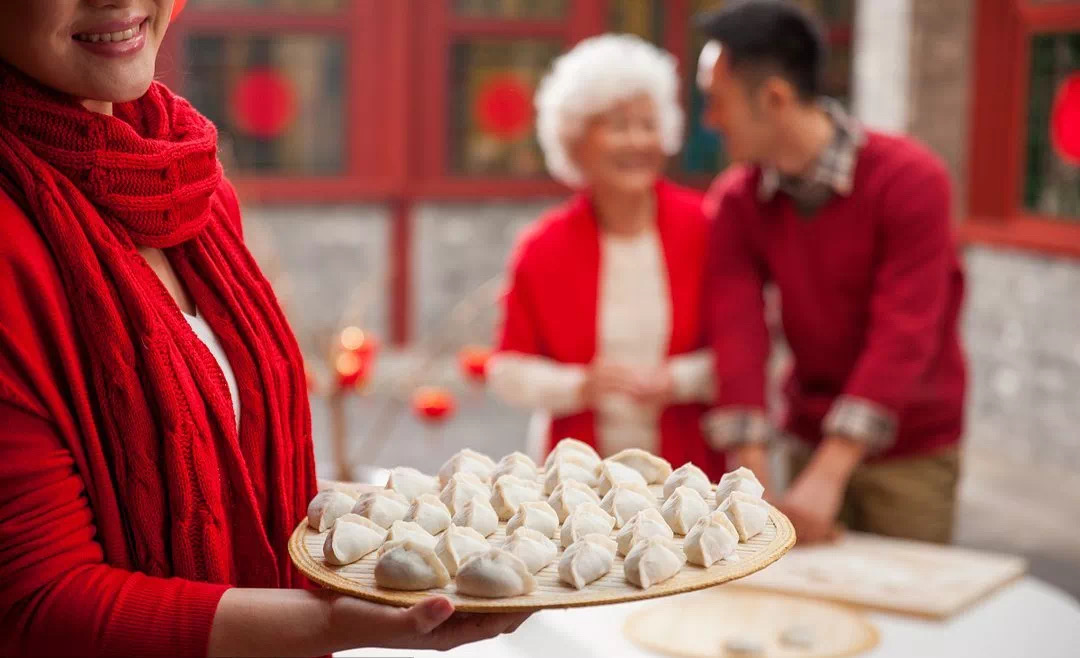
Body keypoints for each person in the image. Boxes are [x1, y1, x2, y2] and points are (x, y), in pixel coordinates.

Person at [0, 2, 527, 655]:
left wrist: (424, 518)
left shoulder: (182, 180)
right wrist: (332, 624)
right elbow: (38, 605)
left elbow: (236, 480)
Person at [695, 1, 967, 544]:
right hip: (806, 434)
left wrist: (830, 474)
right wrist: (752, 470)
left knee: (907, 608)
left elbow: (905, 333)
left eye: (716, 101)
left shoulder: (911, 180)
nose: (710, 120)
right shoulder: (736, 200)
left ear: (773, 98)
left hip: (910, 450)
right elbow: (737, 331)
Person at [488, 34, 726, 479]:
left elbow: (745, 353)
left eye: (647, 124)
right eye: (617, 126)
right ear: (576, 141)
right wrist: (581, 386)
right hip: (576, 478)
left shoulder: (707, 228)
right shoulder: (543, 246)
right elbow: (505, 370)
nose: (636, 140)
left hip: (688, 472)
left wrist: (677, 381)